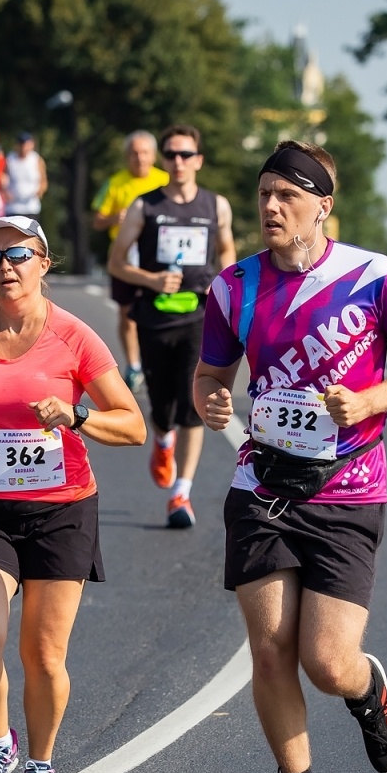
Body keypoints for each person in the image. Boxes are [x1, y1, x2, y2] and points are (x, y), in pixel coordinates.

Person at [193, 140, 387, 773]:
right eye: (264, 194)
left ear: (322, 206)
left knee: (327, 660)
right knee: (270, 648)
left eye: (288, 196)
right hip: (263, 485)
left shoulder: (376, 277)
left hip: (349, 490)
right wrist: (211, 400)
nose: (271, 207)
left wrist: (368, 402)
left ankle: (369, 696)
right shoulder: (232, 288)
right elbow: (209, 376)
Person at [0, 216, 145, 773]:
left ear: (44, 262)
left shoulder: (76, 338)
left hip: (62, 511)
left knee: (43, 656)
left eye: (17, 254)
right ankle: (1, 742)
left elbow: (132, 424)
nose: (5, 268)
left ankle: (42, 763)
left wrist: (76, 418)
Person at [107, 124, 236, 529]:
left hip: (200, 316)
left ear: (198, 160)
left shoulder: (216, 206)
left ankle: (182, 492)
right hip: (155, 317)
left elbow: (227, 251)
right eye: (170, 155)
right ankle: (163, 440)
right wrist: (151, 280)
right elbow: (116, 262)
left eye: (185, 154)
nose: (177, 162)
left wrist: (226, 285)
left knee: (194, 399)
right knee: (162, 406)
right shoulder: (145, 205)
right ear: (164, 160)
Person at [92, 131, 168, 394]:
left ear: (154, 155)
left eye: (145, 152)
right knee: (127, 312)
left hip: (156, 255)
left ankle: (157, 362)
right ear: (127, 156)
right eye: (134, 153)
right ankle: (134, 365)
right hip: (124, 255)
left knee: (158, 310)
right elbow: (97, 220)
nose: (140, 158)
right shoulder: (115, 183)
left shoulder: (165, 180)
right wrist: (115, 218)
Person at [3, 132, 46, 217]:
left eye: (27, 144)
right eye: (22, 144)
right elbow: (3, 179)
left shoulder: (37, 160)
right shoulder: (10, 159)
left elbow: (43, 181)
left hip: (31, 207)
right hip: (13, 207)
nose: (24, 147)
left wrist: (38, 192)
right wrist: (5, 193)